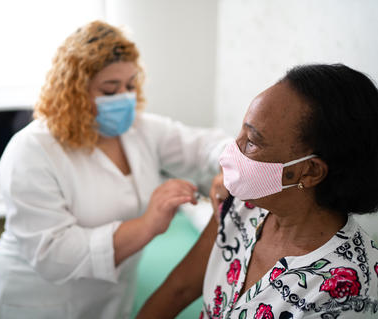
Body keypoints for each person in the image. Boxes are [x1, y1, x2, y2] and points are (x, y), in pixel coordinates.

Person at [0, 20, 230, 319]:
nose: (125, 98)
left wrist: (229, 170)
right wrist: (148, 224)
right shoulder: (32, 149)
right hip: (40, 301)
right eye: (110, 89)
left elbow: (206, 145)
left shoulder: (139, 130)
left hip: (112, 298)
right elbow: (53, 256)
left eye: (130, 85)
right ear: (73, 92)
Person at [137, 64, 378, 318]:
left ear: (310, 172)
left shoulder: (349, 291)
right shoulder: (241, 205)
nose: (232, 151)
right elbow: (179, 289)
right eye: (241, 132)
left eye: (251, 142)